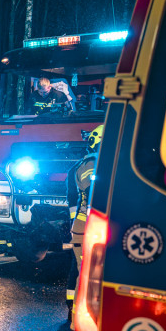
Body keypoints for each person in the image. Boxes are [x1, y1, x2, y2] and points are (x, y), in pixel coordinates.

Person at [66, 124, 104, 312]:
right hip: (90, 226)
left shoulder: (87, 163)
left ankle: (76, 315)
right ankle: (80, 320)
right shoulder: (92, 164)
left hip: (84, 226)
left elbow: (73, 199)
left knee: (85, 271)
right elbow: (91, 194)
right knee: (88, 274)